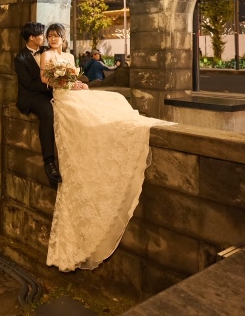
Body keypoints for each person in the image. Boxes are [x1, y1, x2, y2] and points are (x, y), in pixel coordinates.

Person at [39, 23, 173, 272]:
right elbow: (45, 78)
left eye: (57, 35)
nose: (53, 39)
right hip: (62, 98)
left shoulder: (68, 56)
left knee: (113, 98)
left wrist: (76, 83)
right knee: (93, 111)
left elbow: (74, 77)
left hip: (72, 91)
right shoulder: (46, 55)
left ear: (63, 38)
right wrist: (66, 83)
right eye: (50, 36)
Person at [14, 22, 86, 183]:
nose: (47, 38)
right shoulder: (20, 59)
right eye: (43, 35)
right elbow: (30, 84)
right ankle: (49, 161)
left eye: (54, 35)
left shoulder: (48, 52)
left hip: (54, 91)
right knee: (48, 112)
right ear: (32, 38)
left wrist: (72, 83)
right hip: (33, 95)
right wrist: (62, 84)